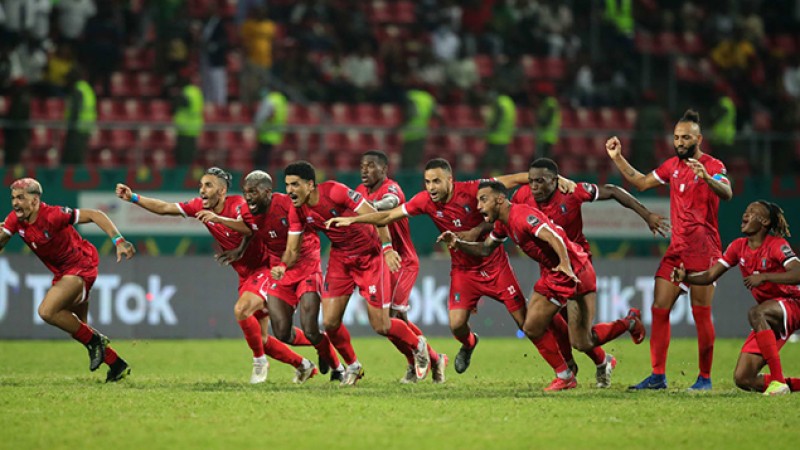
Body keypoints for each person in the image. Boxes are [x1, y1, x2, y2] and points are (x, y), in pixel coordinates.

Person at [326, 159, 571, 386]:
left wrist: (557, 180)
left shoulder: (473, 189)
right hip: (463, 270)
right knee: (456, 326)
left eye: (436, 181)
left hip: (494, 264)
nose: (431, 187)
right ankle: (470, 343)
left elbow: (512, 180)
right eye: (427, 182)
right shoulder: (424, 201)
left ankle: (563, 371)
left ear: (450, 180)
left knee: (524, 322)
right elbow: (390, 215)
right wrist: (354, 220)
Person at [115, 167, 317, 384]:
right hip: (245, 274)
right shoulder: (199, 206)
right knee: (263, 338)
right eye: (201, 185)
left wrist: (219, 220)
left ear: (222, 191)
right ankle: (306, 362)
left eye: (208, 185)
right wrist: (134, 197)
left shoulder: (240, 204)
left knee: (242, 310)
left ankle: (260, 363)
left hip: (266, 267)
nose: (202, 190)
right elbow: (165, 207)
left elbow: (249, 228)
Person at [438, 181, 646, 391]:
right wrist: (458, 243)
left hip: (576, 271)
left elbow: (552, 235)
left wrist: (565, 264)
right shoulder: (503, 223)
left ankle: (625, 326)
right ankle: (568, 371)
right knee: (540, 328)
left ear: (499, 199)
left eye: (483, 200)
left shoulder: (521, 216)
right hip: (555, 274)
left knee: (579, 340)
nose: (478, 206)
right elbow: (485, 249)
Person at [511, 157, 667, 387]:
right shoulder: (522, 196)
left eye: (541, 181)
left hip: (576, 269)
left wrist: (646, 215)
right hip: (550, 270)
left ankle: (628, 323)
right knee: (544, 320)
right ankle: (577, 367)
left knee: (582, 340)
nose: (534, 187)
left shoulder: (573, 193)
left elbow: (613, 191)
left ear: (555, 181)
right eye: (531, 181)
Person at [606, 109, 733, 391]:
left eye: (685, 137)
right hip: (677, 249)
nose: (679, 142)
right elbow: (640, 182)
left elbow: (728, 193)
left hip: (704, 249)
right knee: (659, 308)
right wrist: (617, 158)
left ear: (698, 138)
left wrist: (708, 179)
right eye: (676, 137)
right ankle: (658, 376)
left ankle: (705, 378)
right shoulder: (671, 166)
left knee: (701, 312)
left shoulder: (713, 165)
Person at [282, 161, 431, 386]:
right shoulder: (297, 210)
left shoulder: (335, 192)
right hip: (341, 259)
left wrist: (387, 248)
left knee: (382, 325)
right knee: (330, 323)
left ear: (310, 184)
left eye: (295, 184)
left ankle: (419, 346)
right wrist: (281, 268)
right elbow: (292, 249)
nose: (290, 190)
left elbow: (377, 215)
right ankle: (353, 366)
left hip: (369, 257)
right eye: (287, 185)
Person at [196, 170, 343, 381]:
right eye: (246, 192)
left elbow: (313, 221)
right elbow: (250, 229)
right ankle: (306, 361)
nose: (248, 197)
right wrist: (240, 248)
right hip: (278, 269)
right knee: (275, 335)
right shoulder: (248, 211)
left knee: (247, 311)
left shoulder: (287, 205)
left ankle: (336, 367)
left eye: (253, 192)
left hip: (303, 264)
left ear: (267, 191)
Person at [0, 178, 134, 382]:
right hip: (63, 273)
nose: (15, 203)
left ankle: (97, 341)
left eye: (21, 198)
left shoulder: (53, 215)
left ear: (35, 200)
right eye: (13, 198)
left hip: (82, 266)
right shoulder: (15, 220)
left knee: (47, 311)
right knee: (79, 328)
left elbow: (95, 214)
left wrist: (119, 241)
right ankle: (117, 365)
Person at [672, 201, 800, 396]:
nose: (745, 214)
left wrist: (764, 276)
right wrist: (686, 278)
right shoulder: (738, 247)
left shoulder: (776, 245)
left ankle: (778, 380)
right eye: (745, 210)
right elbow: (710, 276)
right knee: (743, 378)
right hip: (770, 314)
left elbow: (797, 272)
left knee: (756, 312)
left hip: (793, 303)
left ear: (764, 221)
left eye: (752, 212)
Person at [356, 150, 447, 383]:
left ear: (384, 170)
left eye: (371, 166)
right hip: (382, 264)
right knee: (391, 323)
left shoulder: (392, 188)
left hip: (402, 261)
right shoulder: (359, 191)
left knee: (391, 318)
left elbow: (390, 204)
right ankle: (433, 357)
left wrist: (365, 207)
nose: (364, 170)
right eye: (362, 165)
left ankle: (419, 353)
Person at [61, 69, 96, 165]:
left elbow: (75, 110)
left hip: (77, 128)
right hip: (86, 127)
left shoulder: (78, 89)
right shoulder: (87, 88)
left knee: (70, 158)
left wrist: (70, 127)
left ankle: (67, 179)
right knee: (79, 158)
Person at [172, 69, 204, 166]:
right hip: (194, 128)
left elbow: (181, 104)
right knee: (190, 155)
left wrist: (175, 96)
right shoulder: (197, 92)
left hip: (184, 128)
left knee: (182, 157)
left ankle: (182, 176)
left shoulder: (187, 92)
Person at [399, 89, 437, 170]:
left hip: (409, 133)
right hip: (422, 132)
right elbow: (435, 114)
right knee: (416, 159)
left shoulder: (410, 96)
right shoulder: (428, 98)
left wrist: (400, 125)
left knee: (407, 161)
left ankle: (407, 178)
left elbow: (410, 114)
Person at [481, 91, 516, 173]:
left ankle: (493, 180)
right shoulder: (509, 102)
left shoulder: (499, 103)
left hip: (495, 137)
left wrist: (492, 126)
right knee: (499, 163)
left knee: (492, 162)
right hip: (505, 137)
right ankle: (497, 179)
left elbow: (499, 115)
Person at [253, 88, 288, 170]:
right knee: (273, 159)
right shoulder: (282, 100)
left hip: (266, 134)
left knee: (263, 160)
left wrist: (257, 125)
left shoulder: (269, 99)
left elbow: (264, 115)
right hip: (277, 134)